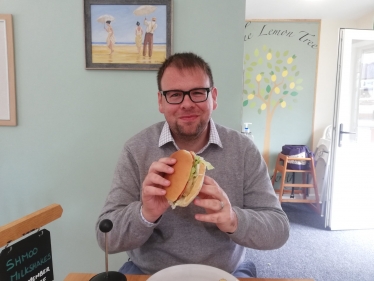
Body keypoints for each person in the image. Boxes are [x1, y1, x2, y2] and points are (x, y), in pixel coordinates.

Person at [96, 52, 290, 278]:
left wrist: (232, 219)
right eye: (175, 95)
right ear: (161, 101)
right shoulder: (136, 150)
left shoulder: (243, 150)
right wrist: (145, 213)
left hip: (226, 270)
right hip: (148, 271)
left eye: (198, 93)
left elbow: (279, 230)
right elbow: (105, 237)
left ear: (213, 97)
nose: (187, 104)